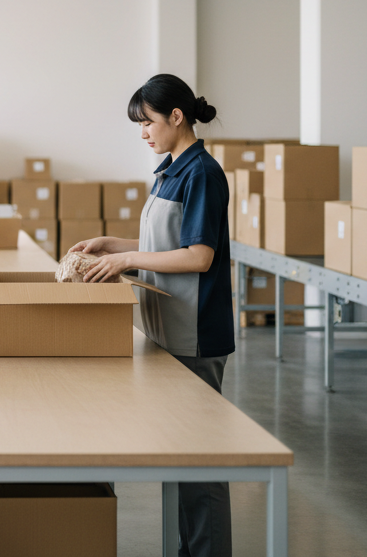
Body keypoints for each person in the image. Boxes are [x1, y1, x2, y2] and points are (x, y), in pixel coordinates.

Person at [69, 73, 234, 557]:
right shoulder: (170, 171)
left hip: (195, 334)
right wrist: (111, 244)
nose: (143, 132)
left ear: (176, 118)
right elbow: (164, 245)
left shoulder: (202, 173)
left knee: (199, 465)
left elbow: (199, 256)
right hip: (167, 330)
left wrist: (126, 261)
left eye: (148, 122)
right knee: (183, 458)